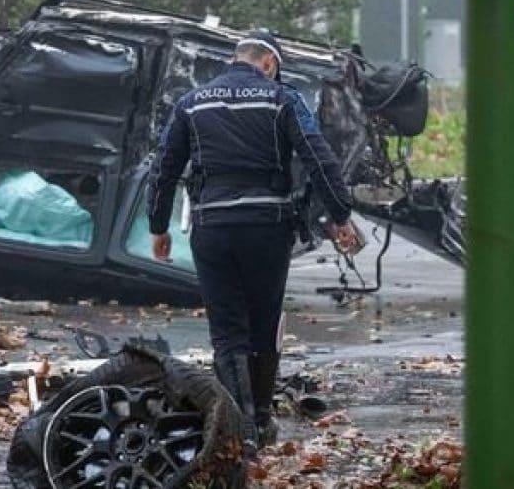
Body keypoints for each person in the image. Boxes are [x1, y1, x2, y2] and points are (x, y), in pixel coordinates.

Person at [146, 29, 359, 456]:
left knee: (227, 332)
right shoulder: (283, 99)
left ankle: (237, 433)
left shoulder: (192, 102)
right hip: (266, 227)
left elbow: (164, 166)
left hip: (213, 228)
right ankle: (260, 422)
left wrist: (158, 225)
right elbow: (319, 158)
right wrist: (341, 216)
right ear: (268, 63)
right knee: (263, 326)